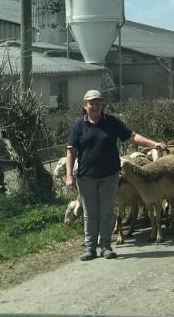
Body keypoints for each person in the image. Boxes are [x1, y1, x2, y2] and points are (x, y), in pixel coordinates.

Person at [64, 89, 163, 260]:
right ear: (84, 106)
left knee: (107, 212)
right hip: (86, 177)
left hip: (109, 176)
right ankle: (90, 248)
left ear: (102, 105)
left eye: (98, 103)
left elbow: (132, 137)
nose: (95, 106)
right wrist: (69, 176)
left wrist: (153, 144)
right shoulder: (79, 126)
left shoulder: (111, 122)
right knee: (90, 213)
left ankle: (106, 247)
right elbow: (71, 152)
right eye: (91, 103)